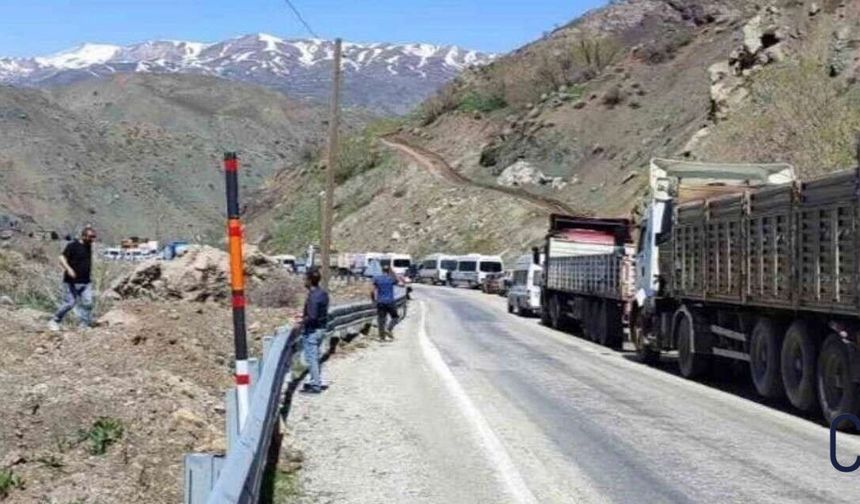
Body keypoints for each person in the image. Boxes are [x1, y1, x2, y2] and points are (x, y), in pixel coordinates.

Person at [49, 226, 97, 331]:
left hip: (86, 281)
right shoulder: (73, 245)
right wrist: (69, 269)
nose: (92, 239)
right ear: (83, 236)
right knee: (69, 303)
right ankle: (54, 321)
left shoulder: (88, 246)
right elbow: (61, 258)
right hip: (71, 282)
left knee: (88, 303)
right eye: (90, 236)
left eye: (94, 237)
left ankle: (84, 325)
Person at [300, 268, 330, 394]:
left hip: (312, 331)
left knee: (311, 358)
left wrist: (301, 322)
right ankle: (315, 380)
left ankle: (315, 385)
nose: (304, 281)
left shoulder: (313, 296)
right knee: (316, 357)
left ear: (309, 280)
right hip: (321, 329)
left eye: (305, 279)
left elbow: (312, 316)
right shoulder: (323, 293)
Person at [372, 264, 402, 341]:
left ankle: (382, 338)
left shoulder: (377, 279)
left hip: (380, 301)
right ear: (388, 271)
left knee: (381, 320)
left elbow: (373, 291)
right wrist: (394, 272)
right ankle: (389, 329)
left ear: (382, 271)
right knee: (395, 317)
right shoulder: (391, 279)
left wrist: (374, 301)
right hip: (390, 301)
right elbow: (400, 283)